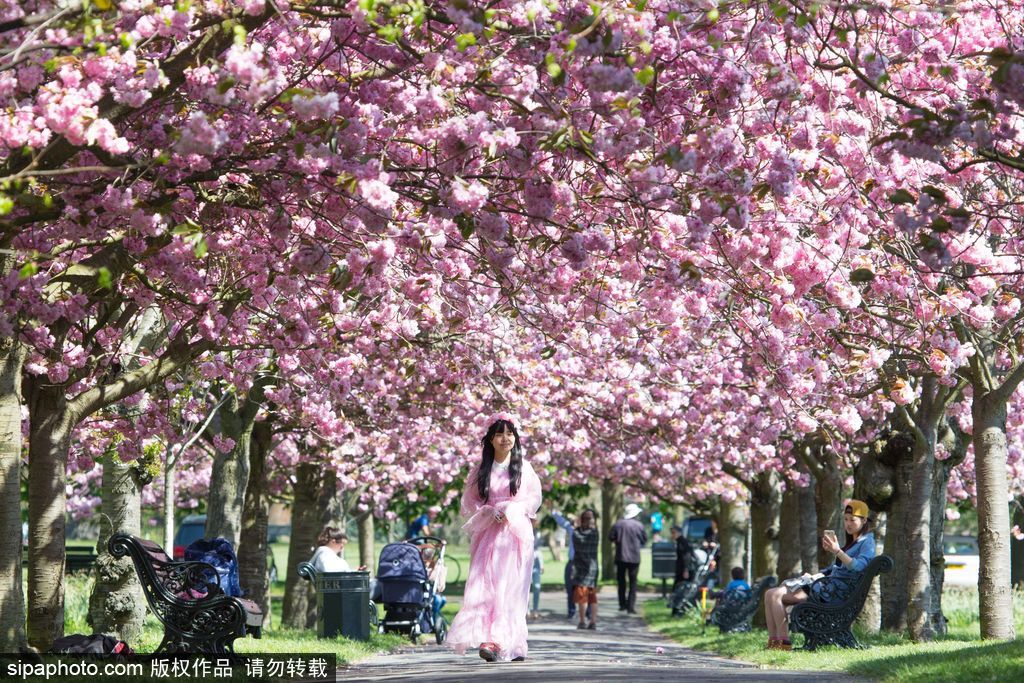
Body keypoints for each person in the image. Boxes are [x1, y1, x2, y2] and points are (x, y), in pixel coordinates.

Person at [446, 417, 542, 663]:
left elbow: (533, 499)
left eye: (510, 433)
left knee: (512, 588)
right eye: (500, 434)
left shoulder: (524, 468)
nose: (505, 438)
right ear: (491, 439)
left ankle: (513, 643)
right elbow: (470, 501)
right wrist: (489, 510)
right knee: (487, 585)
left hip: (516, 536)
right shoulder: (481, 470)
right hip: (489, 534)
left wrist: (513, 508)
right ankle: (492, 640)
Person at [763, 499, 876, 650]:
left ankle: (783, 643)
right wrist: (817, 575)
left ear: (863, 520)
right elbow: (836, 568)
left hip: (833, 592)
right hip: (827, 587)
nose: (848, 523)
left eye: (852, 520)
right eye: (846, 519)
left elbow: (858, 566)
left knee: (776, 595)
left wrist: (837, 551)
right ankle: (773, 642)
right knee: (769, 594)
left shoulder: (867, 542)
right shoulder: (853, 542)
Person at [551, 509, 591, 621]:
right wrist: (553, 512)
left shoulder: (588, 532)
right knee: (570, 588)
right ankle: (572, 611)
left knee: (584, 589)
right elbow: (563, 522)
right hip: (572, 562)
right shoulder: (572, 530)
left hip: (583, 563)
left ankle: (587, 613)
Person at [610, 502, 647, 614]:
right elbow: (644, 539)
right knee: (633, 582)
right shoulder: (639, 526)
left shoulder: (618, 524)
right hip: (634, 558)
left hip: (621, 556)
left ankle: (622, 604)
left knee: (621, 582)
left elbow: (611, 537)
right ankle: (631, 606)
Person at [570, 509, 600, 630]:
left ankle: (582, 621)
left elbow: (577, 541)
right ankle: (593, 622)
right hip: (593, 568)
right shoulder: (595, 533)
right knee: (592, 596)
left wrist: (576, 524)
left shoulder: (577, 533)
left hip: (581, 568)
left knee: (582, 596)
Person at [530, 517, 543, 620]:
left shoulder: (538, 533)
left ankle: (535, 609)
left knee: (537, 587)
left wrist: (542, 564)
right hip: (526, 564)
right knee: (524, 589)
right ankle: (526, 610)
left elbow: (538, 550)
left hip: (536, 564)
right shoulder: (523, 530)